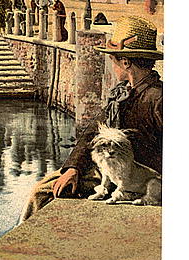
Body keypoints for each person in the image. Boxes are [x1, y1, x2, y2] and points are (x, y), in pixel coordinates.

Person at [21, 16, 162, 221]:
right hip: (111, 168)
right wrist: (73, 167)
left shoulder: (158, 97)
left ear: (126, 62)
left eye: (113, 60)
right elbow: (92, 133)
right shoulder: (122, 94)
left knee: (43, 194)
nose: (112, 66)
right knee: (44, 189)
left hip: (138, 176)